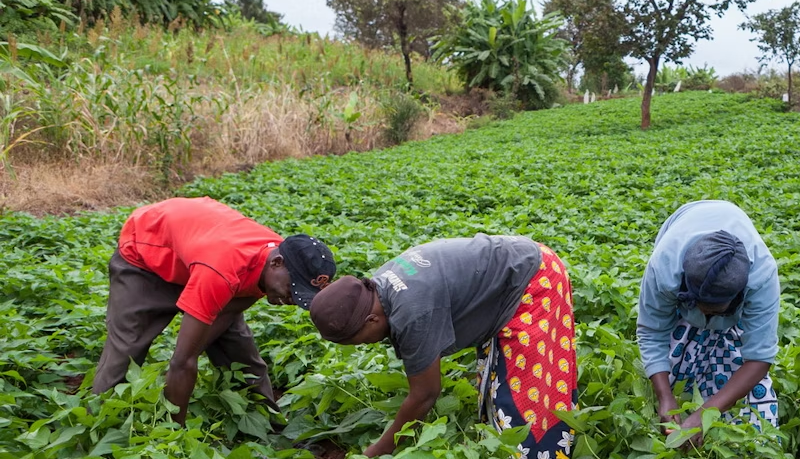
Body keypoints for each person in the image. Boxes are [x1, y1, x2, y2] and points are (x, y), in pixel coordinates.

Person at [310, 234, 578, 458]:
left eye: (359, 340)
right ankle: (498, 443)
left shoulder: (412, 312)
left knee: (525, 393)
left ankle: (540, 451)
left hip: (534, 277)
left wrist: (379, 450)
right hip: (513, 266)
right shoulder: (378, 286)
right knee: (496, 376)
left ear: (372, 320)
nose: (367, 344)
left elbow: (425, 393)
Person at [92, 196, 336, 424]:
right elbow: (182, 362)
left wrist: (196, 346)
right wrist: (176, 437)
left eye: (300, 295)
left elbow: (227, 314)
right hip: (146, 253)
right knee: (128, 347)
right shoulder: (224, 269)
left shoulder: (273, 267)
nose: (291, 299)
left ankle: (270, 424)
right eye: (292, 289)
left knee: (240, 351)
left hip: (197, 254)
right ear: (276, 263)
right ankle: (99, 421)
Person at [637, 200, 780, 441]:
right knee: (671, 381)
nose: (708, 317)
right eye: (704, 308)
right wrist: (665, 397)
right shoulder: (664, 267)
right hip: (681, 245)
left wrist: (706, 413)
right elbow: (652, 331)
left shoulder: (762, 277)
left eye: (717, 311)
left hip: (737, 300)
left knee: (754, 408)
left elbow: (759, 356)